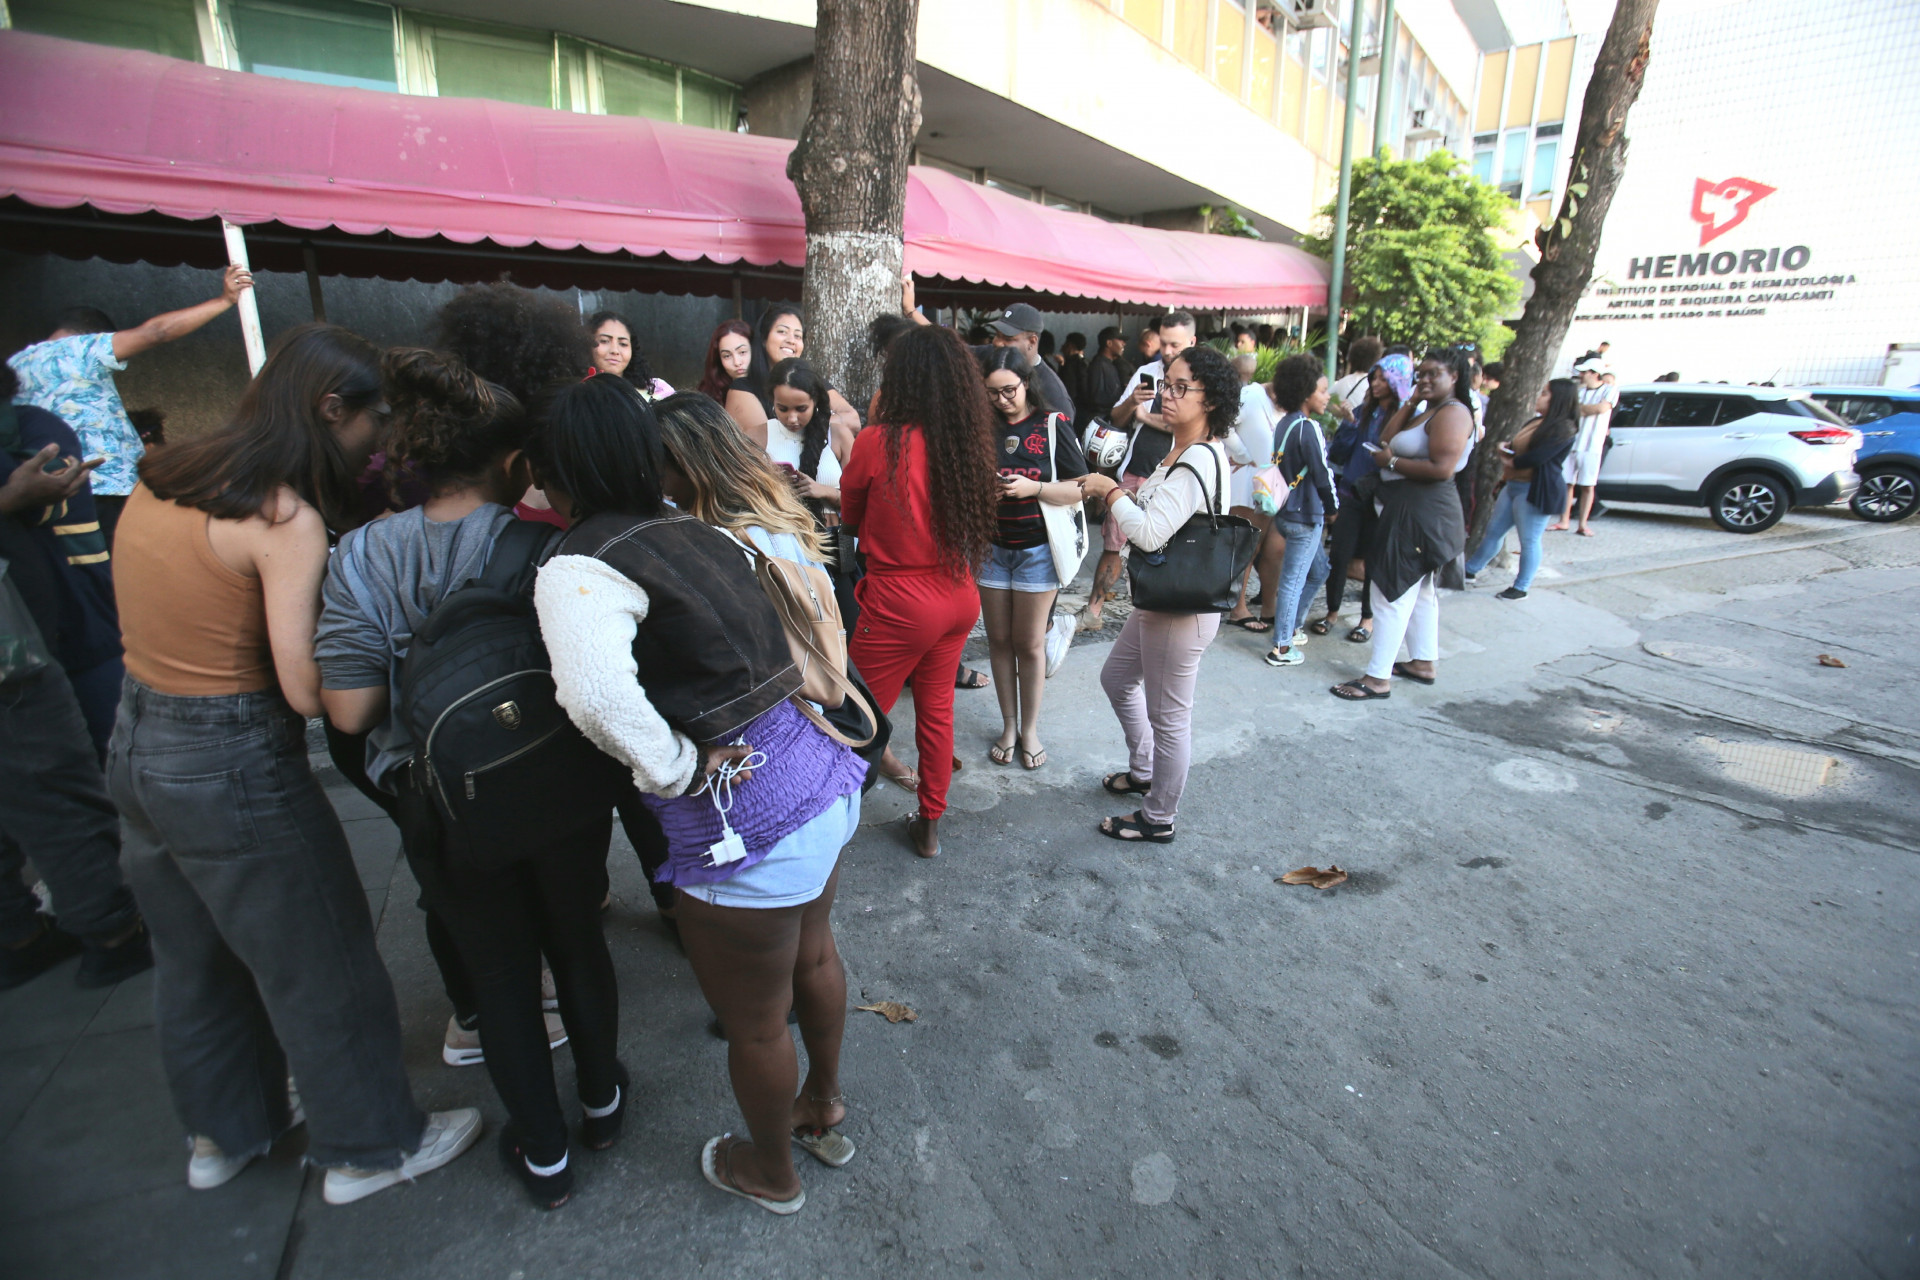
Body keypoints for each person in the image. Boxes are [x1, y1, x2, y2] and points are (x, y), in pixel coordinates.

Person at [107, 323, 481, 1202]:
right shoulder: (280, 516)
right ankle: (371, 1148)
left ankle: (224, 1133)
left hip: (134, 741)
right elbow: (310, 692)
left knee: (193, 957)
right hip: (229, 762)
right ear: (330, 408)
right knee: (319, 959)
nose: (379, 441)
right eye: (374, 420)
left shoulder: (167, 473)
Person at [530, 376, 867, 1217]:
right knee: (815, 956)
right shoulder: (694, 526)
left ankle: (771, 1171)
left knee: (755, 1022)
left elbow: (597, 699)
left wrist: (676, 768)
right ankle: (824, 1102)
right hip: (820, 778)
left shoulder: (579, 565)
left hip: (745, 818)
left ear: (556, 470)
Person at [316, 349, 620, 1210]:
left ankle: (545, 1155)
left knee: (500, 975)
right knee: (578, 942)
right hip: (557, 790)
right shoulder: (547, 548)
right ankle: (603, 1105)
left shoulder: (360, 556)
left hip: (439, 806)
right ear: (516, 463)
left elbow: (348, 712)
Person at [0, 411, 150, 992]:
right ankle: (113, 935)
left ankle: (20, 936)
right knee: (58, 794)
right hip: (17, 661)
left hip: (37, 645)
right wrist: (12, 498)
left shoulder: (31, 427)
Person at [839, 326, 998, 859]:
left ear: (900, 379)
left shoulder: (876, 441)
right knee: (937, 714)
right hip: (958, 594)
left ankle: (823, 821)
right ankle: (929, 826)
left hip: (899, 602)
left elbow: (850, 517)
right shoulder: (965, 444)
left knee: (855, 716)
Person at [1078, 345, 1238, 844]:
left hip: (1180, 611)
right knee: (1117, 678)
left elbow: (1148, 535)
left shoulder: (1198, 459)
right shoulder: (1180, 450)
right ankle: (1145, 769)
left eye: (1181, 387)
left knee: (1169, 718)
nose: (1167, 394)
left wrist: (1109, 491)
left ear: (1210, 401)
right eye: (1167, 383)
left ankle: (1158, 816)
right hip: (1160, 601)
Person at [8, 265, 255, 546]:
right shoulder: (82, 348)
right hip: (103, 488)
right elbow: (156, 332)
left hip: (44, 491)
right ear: (94, 335)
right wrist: (224, 300)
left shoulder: (16, 363)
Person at [1330, 348, 1474, 700]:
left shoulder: (1453, 413)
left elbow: (1442, 468)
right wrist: (1410, 402)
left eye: (1433, 374)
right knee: (1419, 591)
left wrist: (1392, 463)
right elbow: (1387, 439)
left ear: (1454, 377)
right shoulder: (1429, 410)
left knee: (1389, 592)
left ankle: (1377, 679)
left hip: (1421, 513)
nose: (1424, 379)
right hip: (1410, 509)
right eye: (1420, 373)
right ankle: (1423, 662)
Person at [0, 364, 123, 754]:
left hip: (81, 624)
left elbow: (43, 488)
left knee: (110, 752)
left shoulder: (32, 426)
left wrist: (13, 497)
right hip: (21, 649)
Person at [976, 348, 1088, 770]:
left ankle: (1031, 729)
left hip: (1039, 550)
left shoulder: (1052, 424)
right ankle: (1009, 725)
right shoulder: (981, 427)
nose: (1002, 400)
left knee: (1029, 642)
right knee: (999, 641)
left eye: (1009, 390)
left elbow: (1082, 486)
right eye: (992, 393)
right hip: (990, 548)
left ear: (1026, 383)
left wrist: (1034, 488)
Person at [1082, 311, 1198, 630]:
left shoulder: (1198, 382)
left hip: (1173, 475)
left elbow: (1186, 425)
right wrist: (1133, 402)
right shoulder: (1147, 372)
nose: (1167, 351)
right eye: (1164, 343)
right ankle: (1093, 611)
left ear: (1192, 342)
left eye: (1175, 345)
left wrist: (1146, 418)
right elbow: (1117, 418)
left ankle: (1154, 616)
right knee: (1114, 543)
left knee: (1164, 549)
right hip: (1135, 470)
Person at [1317, 353, 1412, 643]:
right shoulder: (1364, 411)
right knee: (1339, 555)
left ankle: (1367, 618)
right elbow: (1338, 454)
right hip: (1352, 492)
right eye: (1375, 377)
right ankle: (1332, 612)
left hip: (1383, 496)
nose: (1376, 383)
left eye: (1384, 378)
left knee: (1373, 559)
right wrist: (1349, 423)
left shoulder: (1405, 417)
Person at [1253, 356, 1339, 665]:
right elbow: (1322, 474)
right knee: (1293, 580)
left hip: (1286, 513)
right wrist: (1333, 509)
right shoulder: (1308, 427)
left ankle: (1293, 626)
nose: (1327, 397)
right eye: (1322, 390)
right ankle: (1282, 647)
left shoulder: (1285, 424)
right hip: (1306, 516)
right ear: (1305, 392)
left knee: (1319, 571)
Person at [1465, 378, 1578, 599]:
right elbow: (1518, 447)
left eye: (1545, 394)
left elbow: (1537, 457)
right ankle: (1470, 570)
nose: (1539, 397)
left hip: (1535, 490)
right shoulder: (1537, 422)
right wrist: (1507, 450)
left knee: (1529, 540)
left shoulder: (1564, 428)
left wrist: (1510, 459)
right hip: (1513, 485)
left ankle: (1521, 586)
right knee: (1494, 531)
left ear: (1558, 399)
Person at [724, 304, 860, 454]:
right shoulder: (743, 389)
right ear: (763, 338)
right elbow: (769, 444)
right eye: (782, 332)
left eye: (798, 336)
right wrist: (821, 424)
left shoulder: (813, 382)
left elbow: (853, 420)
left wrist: (809, 424)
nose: (791, 340)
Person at [1223, 354, 1281, 628]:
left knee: (1260, 547)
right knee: (1245, 546)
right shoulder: (1251, 396)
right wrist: (1243, 454)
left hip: (1267, 487)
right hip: (1244, 483)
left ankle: (1263, 605)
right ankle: (1237, 607)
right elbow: (1223, 424)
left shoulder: (1282, 404)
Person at [755, 358, 843, 512]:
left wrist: (825, 491)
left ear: (815, 402)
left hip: (832, 526)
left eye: (801, 409)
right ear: (773, 401)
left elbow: (861, 500)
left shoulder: (839, 436)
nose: (792, 419)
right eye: (783, 409)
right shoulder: (757, 437)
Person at [1552, 358, 1617, 536]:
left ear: (1594, 374)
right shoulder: (1579, 391)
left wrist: (1581, 409)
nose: (1581, 375)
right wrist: (1583, 409)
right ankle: (1564, 520)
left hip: (1592, 445)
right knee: (1567, 482)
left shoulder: (1609, 390)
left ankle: (1583, 523)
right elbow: (1571, 410)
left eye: (1584, 372)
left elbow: (1600, 409)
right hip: (1573, 441)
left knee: (1587, 485)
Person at [587, 310, 674, 399]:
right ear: (587, 344)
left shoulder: (657, 390)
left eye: (623, 344)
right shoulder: (580, 394)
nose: (615, 351)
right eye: (604, 341)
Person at [1329, 335, 1384, 426]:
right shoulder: (1373, 384)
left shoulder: (1343, 381)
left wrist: (1340, 413)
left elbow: (1327, 402)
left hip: (1343, 430)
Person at [698, 320, 755, 404]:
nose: (737, 362)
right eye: (727, 356)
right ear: (719, 359)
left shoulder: (771, 385)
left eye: (742, 352)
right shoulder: (710, 397)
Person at [1083, 327, 1127, 434]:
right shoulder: (1098, 365)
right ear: (1109, 343)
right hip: (1100, 424)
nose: (1124, 344)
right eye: (1120, 340)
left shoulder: (1109, 364)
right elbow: (1097, 397)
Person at [1058, 332, 1090, 414]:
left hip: (1072, 407)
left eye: (1066, 343)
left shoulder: (1070, 364)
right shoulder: (1086, 362)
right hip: (1084, 408)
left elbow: (1069, 389)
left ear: (1070, 345)